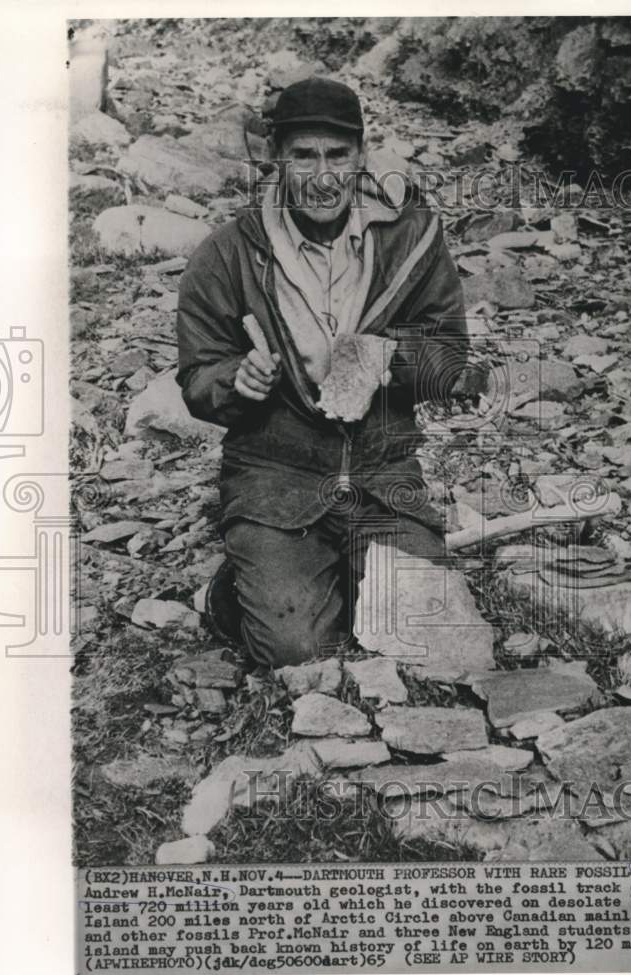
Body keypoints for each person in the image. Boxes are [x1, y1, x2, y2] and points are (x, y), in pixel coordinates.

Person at [177, 76, 468, 668]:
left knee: (427, 633)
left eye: (338, 155)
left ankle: (336, 572)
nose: (323, 174)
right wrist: (236, 379)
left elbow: (452, 358)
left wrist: (389, 358)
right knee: (297, 648)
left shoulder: (411, 237)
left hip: (383, 475)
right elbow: (198, 377)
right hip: (275, 480)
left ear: (361, 155)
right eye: (303, 156)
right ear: (276, 160)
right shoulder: (227, 253)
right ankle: (234, 593)